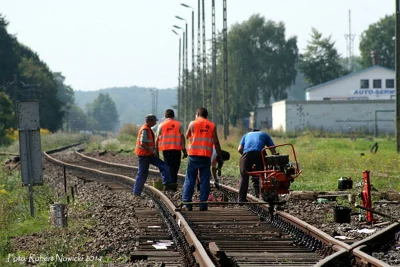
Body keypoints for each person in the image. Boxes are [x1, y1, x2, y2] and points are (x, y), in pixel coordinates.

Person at [182, 107, 221, 211]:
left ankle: (187, 203)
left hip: (193, 156)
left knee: (190, 179)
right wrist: (219, 154)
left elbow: (187, 136)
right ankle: (203, 205)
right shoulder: (212, 125)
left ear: (197, 114)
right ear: (206, 115)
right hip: (205, 156)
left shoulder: (192, 123)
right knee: (204, 181)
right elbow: (216, 142)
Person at [133, 114, 173, 197]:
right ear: (150, 121)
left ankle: (167, 183)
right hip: (144, 156)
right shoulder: (145, 130)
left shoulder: (148, 129)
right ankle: (136, 193)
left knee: (162, 165)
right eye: (154, 121)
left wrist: (154, 151)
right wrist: (152, 151)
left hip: (149, 155)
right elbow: (143, 143)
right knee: (142, 174)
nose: (155, 122)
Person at [237, 129, 276, 203]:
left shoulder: (246, 135)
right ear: (259, 131)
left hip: (247, 154)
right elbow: (272, 149)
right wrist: (274, 158)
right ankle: (263, 195)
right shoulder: (264, 134)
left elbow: (239, 149)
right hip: (260, 154)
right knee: (262, 174)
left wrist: (246, 158)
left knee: (244, 177)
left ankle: (241, 200)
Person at [155, 109, 187, 191]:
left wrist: (156, 150)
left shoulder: (161, 125)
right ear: (173, 116)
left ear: (165, 116)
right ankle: (173, 184)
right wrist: (184, 150)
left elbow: (157, 138)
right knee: (175, 167)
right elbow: (182, 137)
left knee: (168, 167)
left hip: (166, 150)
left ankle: (169, 185)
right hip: (177, 150)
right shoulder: (178, 125)